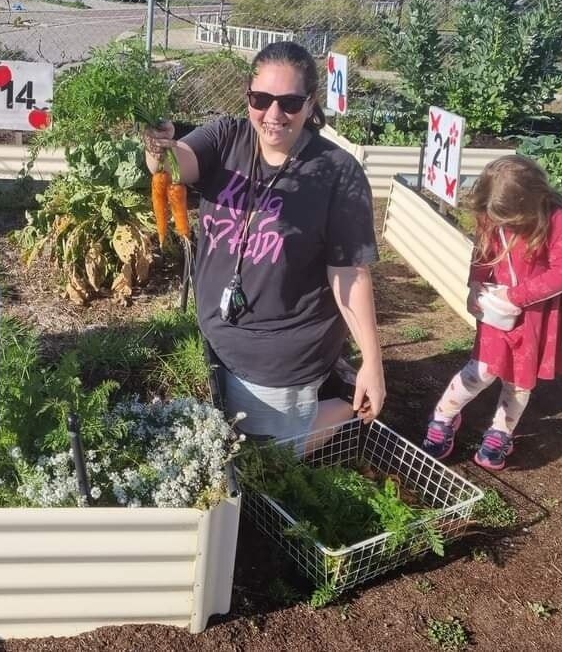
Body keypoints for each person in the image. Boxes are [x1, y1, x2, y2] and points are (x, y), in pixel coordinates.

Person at [143, 41, 386, 447]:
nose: (274, 115)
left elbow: (349, 274)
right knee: (224, 439)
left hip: (282, 352)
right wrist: (159, 147)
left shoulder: (337, 173)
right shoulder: (226, 139)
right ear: (247, 96)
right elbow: (175, 165)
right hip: (214, 335)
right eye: (261, 99)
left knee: (268, 457)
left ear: (310, 104)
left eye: (290, 103)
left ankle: (343, 399)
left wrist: (373, 364)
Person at [422, 155, 562, 471]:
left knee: (519, 379)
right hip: (498, 310)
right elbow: (482, 252)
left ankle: (500, 431)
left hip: (534, 314)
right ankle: (443, 416)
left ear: (532, 202)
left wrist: (517, 295)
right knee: (481, 370)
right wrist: (475, 285)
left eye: (509, 221)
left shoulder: (556, 219)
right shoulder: (492, 213)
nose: (502, 226)